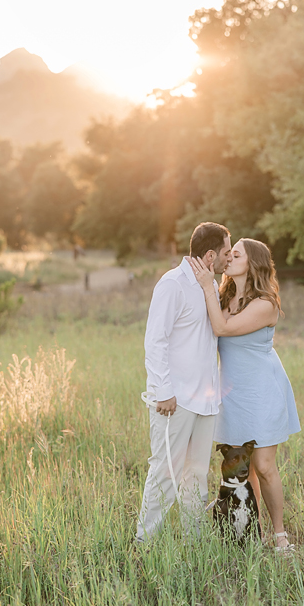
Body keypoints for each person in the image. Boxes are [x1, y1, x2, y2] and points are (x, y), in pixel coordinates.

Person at [189, 238, 300, 554]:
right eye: (229, 253)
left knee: (263, 465)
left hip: (262, 390)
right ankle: (254, 531)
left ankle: (280, 537)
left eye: (236, 254)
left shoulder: (265, 304)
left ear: (253, 263)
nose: (229, 257)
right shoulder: (223, 297)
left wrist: (206, 285)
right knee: (243, 467)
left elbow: (222, 329)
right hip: (232, 393)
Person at [136, 222, 232, 542]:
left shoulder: (211, 286)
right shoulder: (172, 284)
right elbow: (155, 341)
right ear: (210, 256)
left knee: (197, 474)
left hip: (205, 399)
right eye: (226, 253)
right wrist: (163, 392)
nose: (229, 258)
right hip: (175, 400)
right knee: (165, 471)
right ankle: (145, 542)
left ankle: (195, 541)